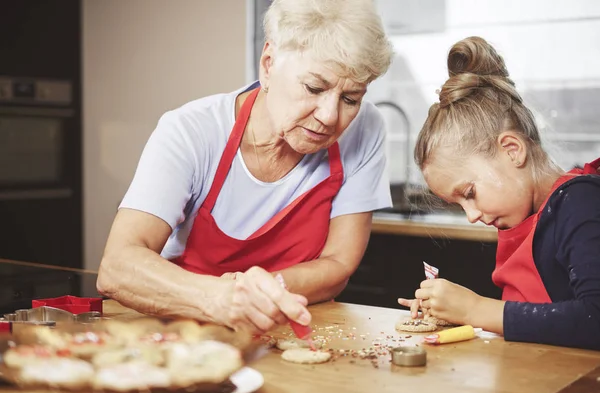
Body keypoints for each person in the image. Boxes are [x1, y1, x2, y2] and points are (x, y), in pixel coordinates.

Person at [97, 0, 394, 334]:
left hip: (288, 331)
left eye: (351, 98)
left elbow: (339, 264)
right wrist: (218, 298)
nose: (329, 116)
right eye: (314, 88)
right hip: (180, 333)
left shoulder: (365, 128)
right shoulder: (191, 131)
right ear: (268, 65)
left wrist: (261, 289)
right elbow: (118, 267)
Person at [397, 36, 600, 350]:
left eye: (470, 193)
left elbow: (594, 318)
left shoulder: (580, 203)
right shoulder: (520, 216)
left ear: (512, 150)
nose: (472, 215)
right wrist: (453, 313)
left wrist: (477, 309)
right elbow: (533, 319)